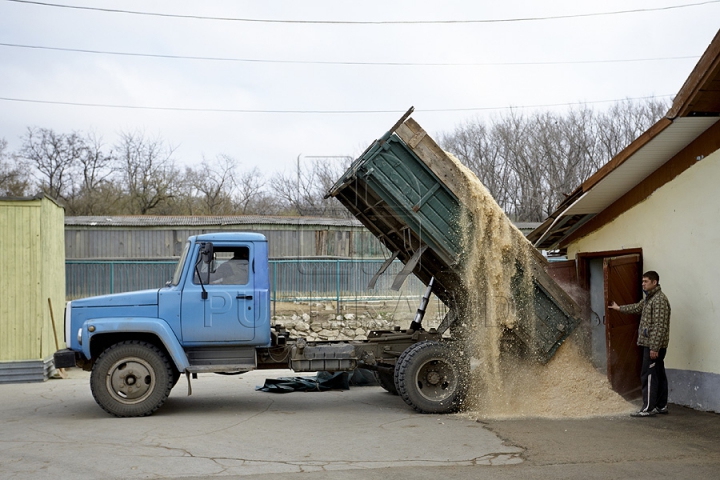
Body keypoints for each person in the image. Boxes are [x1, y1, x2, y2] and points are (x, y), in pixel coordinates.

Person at [609, 270, 671, 417]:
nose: (643, 284)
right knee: (658, 374)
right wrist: (619, 308)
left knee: (648, 375)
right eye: (642, 281)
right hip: (652, 344)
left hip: (653, 345)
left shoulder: (659, 300)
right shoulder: (650, 298)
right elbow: (637, 307)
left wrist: (654, 347)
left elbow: (659, 326)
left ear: (654, 282)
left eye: (645, 281)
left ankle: (648, 408)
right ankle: (661, 406)